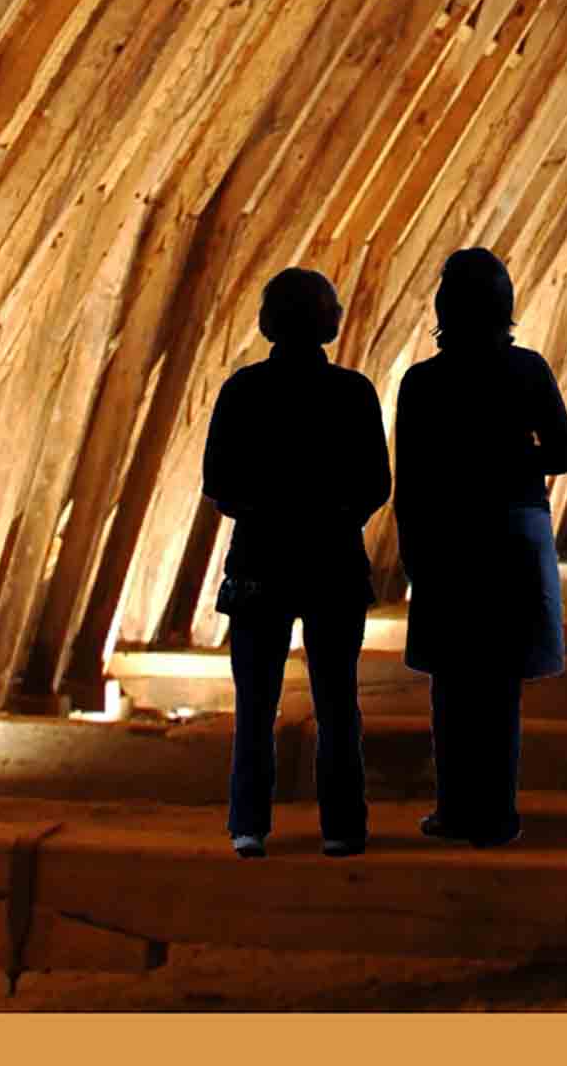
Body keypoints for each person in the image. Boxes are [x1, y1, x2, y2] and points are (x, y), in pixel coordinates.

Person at [198, 265, 390, 856]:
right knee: (337, 700)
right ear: (330, 324)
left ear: (267, 323)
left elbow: (218, 482)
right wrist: (335, 516)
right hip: (333, 560)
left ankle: (249, 826)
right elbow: (376, 483)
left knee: (256, 702)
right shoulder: (353, 393)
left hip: (260, 561)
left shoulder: (243, 391)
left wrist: (265, 511)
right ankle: (342, 828)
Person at [391, 245, 567, 845]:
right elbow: (565, 453)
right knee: (500, 686)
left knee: (452, 685)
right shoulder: (528, 370)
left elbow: (409, 479)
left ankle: (454, 810)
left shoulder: (424, 382)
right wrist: (513, 457)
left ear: (444, 307)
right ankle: (497, 815)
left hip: (448, 535)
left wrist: (412, 553)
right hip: (513, 536)